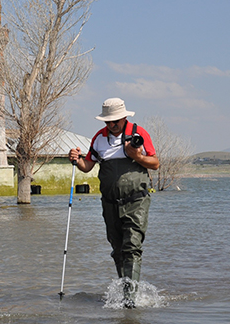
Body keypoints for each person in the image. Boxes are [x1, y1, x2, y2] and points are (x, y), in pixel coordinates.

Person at [68, 97, 159, 307]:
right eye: (107, 121)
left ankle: (130, 300)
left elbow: (155, 163)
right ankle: (126, 292)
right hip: (110, 203)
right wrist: (76, 158)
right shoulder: (99, 138)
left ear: (124, 117)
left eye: (115, 121)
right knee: (117, 248)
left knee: (132, 246)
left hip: (136, 201)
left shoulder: (139, 133)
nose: (111, 125)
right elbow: (87, 165)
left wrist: (135, 156)